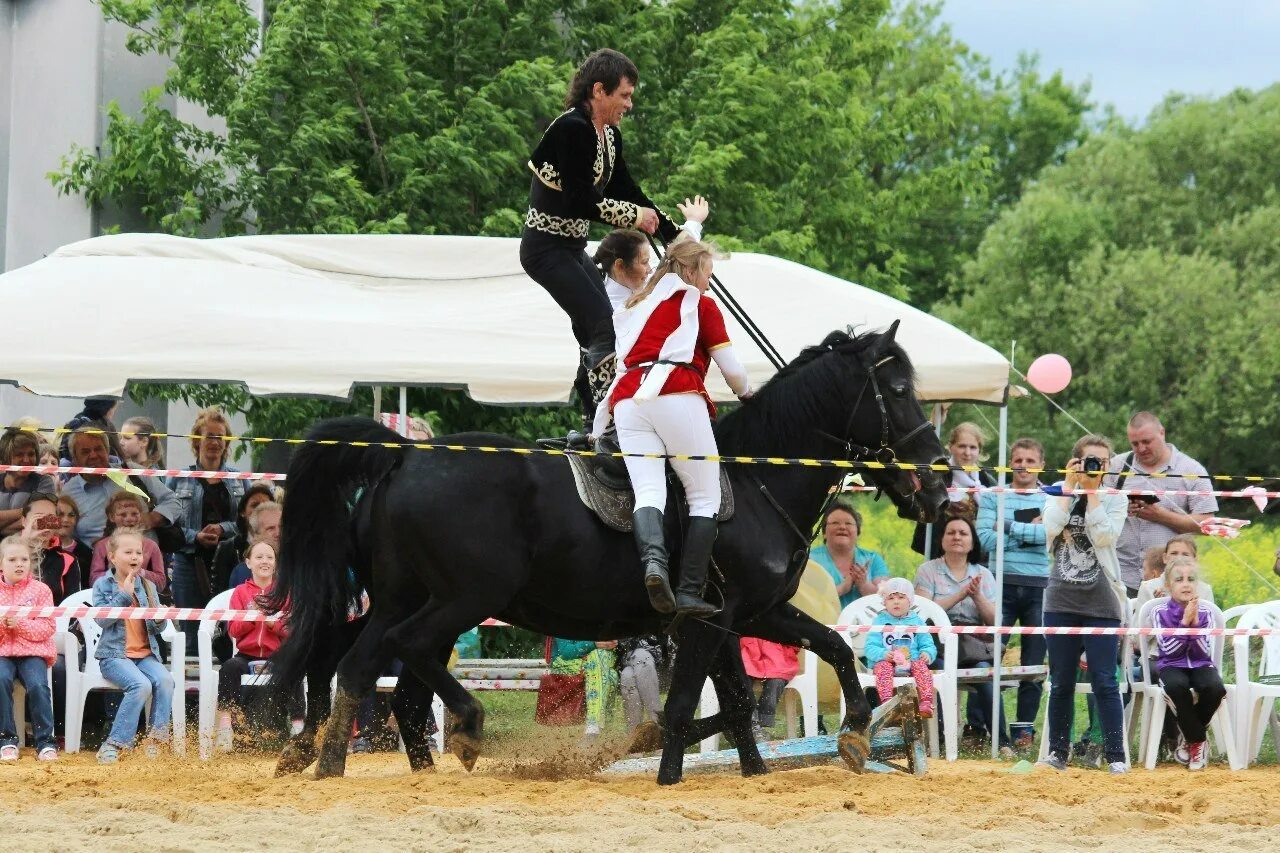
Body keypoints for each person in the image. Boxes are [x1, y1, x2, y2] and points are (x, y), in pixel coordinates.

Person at [520, 48, 684, 433]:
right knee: (603, 326)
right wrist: (634, 218)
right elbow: (581, 199)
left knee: (594, 330)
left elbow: (627, 188)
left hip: (573, 249)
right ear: (599, 90)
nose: (629, 103)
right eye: (624, 95)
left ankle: (590, 420)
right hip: (545, 250)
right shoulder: (571, 129)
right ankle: (607, 426)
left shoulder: (609, 136)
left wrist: (669, 230)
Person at [591, 239, 751, 617]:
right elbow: (733, 371)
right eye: (707, 275)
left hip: (628, 402)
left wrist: (693, 226)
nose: (708, 285)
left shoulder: (638, 304)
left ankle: (654, 566)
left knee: (649, 489)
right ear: (691, 272)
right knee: (705, 496)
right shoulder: (701, 304)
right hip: (676, 394)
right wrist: (748, 395)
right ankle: (690, 589)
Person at [1038, 434, 1130, 774]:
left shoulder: (1114, 498)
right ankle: (1058, 754)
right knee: (1060, 680)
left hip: (1102, 603)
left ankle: (1116, 756)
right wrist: (1068, 486)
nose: (1096, 468)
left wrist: (1092, 493)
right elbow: (1050, 527)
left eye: (1102, 463)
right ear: (1075, 461)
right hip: (1060, 600)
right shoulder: (1055, 492)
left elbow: (1106, 536)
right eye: (1090, 461)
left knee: (1105, 680)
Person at [975, 437, 1049, 747]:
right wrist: (1027, 532)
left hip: (1038, 586)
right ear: (1010, 462)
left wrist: (1007, 527)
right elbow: (985, 540)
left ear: (1041, 465)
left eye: (1030, 461)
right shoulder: (994, 496)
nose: (1023, 466)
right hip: (1000, 583)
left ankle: (1023, 733)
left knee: (1032, 665)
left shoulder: (1051, 498)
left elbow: (1049, 535)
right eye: (1018, 460)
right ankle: (986, 730)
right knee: (989, 658)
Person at [913, 517, 1005, 752]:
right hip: (937, 644)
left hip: (972, 646)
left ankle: (1002, 741)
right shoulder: (927, 570)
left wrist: (977, 596)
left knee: (986, 675)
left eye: (963, 533)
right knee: (941, 672)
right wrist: (961, 594)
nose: (956, 537)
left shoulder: (983, 573)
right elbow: (923, 612)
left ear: (972, 543)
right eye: (951, 532)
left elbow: (995, 621)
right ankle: (942, 737)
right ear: (941, 540)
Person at [1107, 412, 1216, 596]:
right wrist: (1122, 507)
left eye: (1147, 442)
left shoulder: (1192, 470)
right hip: (1120, 575)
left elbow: (1207, 524)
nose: (1141, 449)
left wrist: (1161, 516)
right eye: (1135, 444)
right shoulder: (1116, 466)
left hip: (1170, 580)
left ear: (1162, 433)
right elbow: (1098, 508)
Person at [91, 527, 174, 764]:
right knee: (141, 685)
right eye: (128, 552)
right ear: (112, 556)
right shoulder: (102, 585)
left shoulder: (147, 585)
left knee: (166, 681)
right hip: (114, 656)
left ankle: (156, 742)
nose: (136, 557)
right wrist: (123, 597)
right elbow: (102, 620)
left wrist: (160, 618)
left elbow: (156, 627)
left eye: (139, 552)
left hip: (145, 655)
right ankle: (114, 744)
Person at [166, 408, 244, 636]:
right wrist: (195, 536)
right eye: (209, 435)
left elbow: (247, 521)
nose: (215, 442)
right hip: (188, 562)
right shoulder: (178, 478)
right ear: (196, 440)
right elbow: (167, 522)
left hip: (229, 562)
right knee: (190, 631)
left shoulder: (238, 478)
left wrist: (223, 528)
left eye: (220, 436)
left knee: (226, 629)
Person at [1150, 556, 1226, 771]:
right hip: (1171, 665)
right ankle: (1199, 740)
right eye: (1179, 579)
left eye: (1191, 579)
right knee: (1175, 687)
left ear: (1197, 584)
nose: (1186, 584)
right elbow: (1170, 650)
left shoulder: (1206, 612)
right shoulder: (1159, 612)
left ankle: (1190, 739)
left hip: (1201, 663)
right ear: (1167, 586)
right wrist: (1185, 624)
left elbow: (1203, 649)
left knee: (1215, 688)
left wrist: (1195, 623)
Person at [215, 540, 287, 751]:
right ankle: (228, 723)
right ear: (248, 562)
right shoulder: (239, 592)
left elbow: (293, 630)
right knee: (229, 667)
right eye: (259, 557)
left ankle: (297, 725)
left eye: (269, 557)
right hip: (245, 653)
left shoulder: (285, 591)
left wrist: (273, 624)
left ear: (276, 564)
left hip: (277, 655)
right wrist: (254, 617)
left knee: (294, 669)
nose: (264, 561)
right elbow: (233, 630)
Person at [61, 428, 181, 548]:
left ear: (107, 451)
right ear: (75, 459)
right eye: (85, 452)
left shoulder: (131, 472)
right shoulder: (69, 493)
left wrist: (151, 518)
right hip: (98, 563)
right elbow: (66, 535)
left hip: (146, 559)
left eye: (98, 449)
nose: (93, 455)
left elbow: (172, 501)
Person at [595, 197, 709, 311]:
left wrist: (694, 221)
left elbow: (681, 254)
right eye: (644, 262)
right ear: (619, 266)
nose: (649, 270)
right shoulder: (609, 309)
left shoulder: (639, 286)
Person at [0, 535, 58, 761]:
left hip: (34, 652)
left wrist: (20, 624)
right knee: (1, 681)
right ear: (1, 564)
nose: (19, 564)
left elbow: (47, 627)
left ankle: (45, 742)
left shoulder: (41, 590)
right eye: (12, 559)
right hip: (3, 652)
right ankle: (6, 741)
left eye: (24, 559)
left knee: (38, 686)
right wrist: (3, 627)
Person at [913, 422, 996, 559]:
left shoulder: (985, 479)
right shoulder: (939, 472)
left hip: (976, 554)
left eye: (973, 447)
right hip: (939, 551)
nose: (967, 453)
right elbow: (922, 451)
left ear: (979, 451)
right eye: (962, 446)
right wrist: (934, 422)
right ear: (951, 447)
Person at [865, 577, 936, 717]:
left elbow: (928, 643)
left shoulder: (917, 622)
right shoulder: (879, 621)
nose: (896, 601)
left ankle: (926, 702)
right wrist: (883, 654)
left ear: (910, 601)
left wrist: (927, 653)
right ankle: (888, 705)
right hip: (887, 663)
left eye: (901, 597)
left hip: (912, 662)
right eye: (891, 598)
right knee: (883, 667)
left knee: (921, 666)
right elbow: (870, 647)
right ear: (884, 602)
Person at [810, 504, 890, 609]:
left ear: (858, 532)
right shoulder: (810, 560)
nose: (842, 527)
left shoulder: (873, 559)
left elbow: (888, 599)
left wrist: (864, 585)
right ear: (824, 533)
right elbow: (807, 601)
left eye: (848, 523)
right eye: (835, 523)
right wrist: (842, 588)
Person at [88, 492, 168, 591]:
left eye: (134, 514)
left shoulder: (151, 546)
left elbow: (161, 583)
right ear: (112, 517)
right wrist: (117, 573)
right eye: (123, 514)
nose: (129, 519)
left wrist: (141, 573)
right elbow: (93, 580)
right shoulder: (102, 546)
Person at [210, 484, 275, 594]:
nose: (260, 509)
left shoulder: (284, 547)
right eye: (255, 505)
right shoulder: (227, 548)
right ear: (243, 512)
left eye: (266, 505)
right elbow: (218, 593)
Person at [549, 637, 617, 737]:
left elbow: (611, 645)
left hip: (597, 661)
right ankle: (595, 723)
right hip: (566, 663)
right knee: (607, 673)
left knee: (609, 673)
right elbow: (566, 652)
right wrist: (593, 645)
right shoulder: (561, 622)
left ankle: (594, 726)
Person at [0, 427, 57, 534]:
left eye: (31, 454)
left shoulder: (44, 481)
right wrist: (26, 511)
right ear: (5, 456)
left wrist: (2, 530)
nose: (26, 460)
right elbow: (34, 518)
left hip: (29, 547)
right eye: (19, 454)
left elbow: (45, 521)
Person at [740, 637, 799, 738]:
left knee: (776, 681)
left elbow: (796, 639)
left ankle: (761, 720)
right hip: (749, 650)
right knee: (741, 678)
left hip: (777, 655)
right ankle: (749, 722)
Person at [226, 501, 282, 590]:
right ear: (256, 535)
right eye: (270, 528)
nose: (278, 533)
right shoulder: (242, 573)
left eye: (282, 527)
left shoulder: (300, 566)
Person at [616, 635, 667, 733]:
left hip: (649, 650)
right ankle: (635, 737)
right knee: (627, 676)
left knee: (642, 660)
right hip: (625, 656)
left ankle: (658, 726)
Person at [57, 397, 122, 462]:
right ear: (108, 409)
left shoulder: (75, 421)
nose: (93, 455)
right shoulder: (104, 426)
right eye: (114, 410)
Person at [53, 495, 94, 590]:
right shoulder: (41, 549)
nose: (66, 520)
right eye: (60, 514)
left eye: (71, 515)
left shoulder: (86, 552)